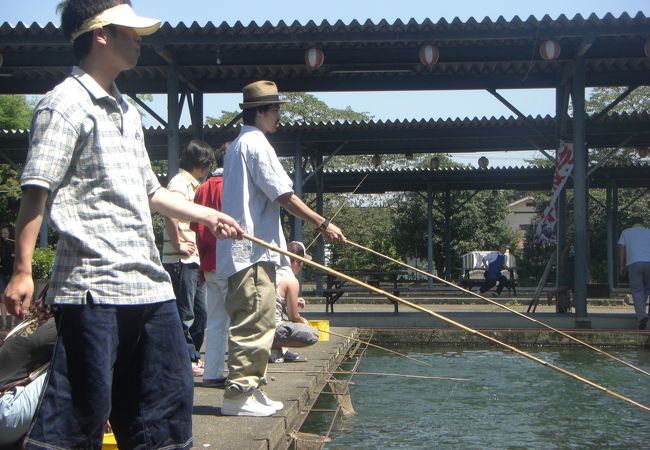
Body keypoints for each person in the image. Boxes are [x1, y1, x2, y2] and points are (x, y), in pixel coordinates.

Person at [1, 2, 243, 448]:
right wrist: (22, 270)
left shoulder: (127, 111)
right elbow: (36, 190)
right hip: (92, 286)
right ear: (99, 35)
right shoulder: (64, 104)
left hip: (149, 286)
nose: (139, 39)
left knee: (167, 406)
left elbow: (151, 191)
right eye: (130, 31)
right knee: (80, 413)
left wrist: (209, 214)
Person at [216, 80, 346, 417]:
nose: (279, 117)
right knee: (254, 324)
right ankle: (238, 395)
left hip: (250, 252)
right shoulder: (256, 144)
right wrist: (323, 223)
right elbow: (284, 197)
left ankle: (252, 388)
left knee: (260, 322)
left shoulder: (240, 145)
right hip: (251, 253)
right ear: (260, 111)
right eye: (275, 110)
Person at [162, 139, 214, 377]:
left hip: (193, 259)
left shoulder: (192, 184)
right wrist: (178, 243)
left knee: (200, 313)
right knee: (186, 314)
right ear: (202, 164)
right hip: (180, 259)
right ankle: (187, 358)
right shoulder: (180, 182)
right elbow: (170, 211)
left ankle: (191, 356)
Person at [192, 142, 229, 385]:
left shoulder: (202, 189)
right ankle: (240, 375)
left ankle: (212, 373)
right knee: (240, 322)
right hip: (231, 264)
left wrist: (202, 265)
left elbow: (196, 229)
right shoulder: (235, 186)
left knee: (215, 322)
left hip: (208, 263)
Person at [0, 296, 55, 448]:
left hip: (4, 413)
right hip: (5, 415)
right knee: (76, 363)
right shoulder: (58, 328)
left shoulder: (33, 321)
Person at [270, 241, 319, 363]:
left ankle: (276, 349)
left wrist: (292, 301)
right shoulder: (291, 280)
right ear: (296, 261)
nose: (302, 266)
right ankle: (273, 347)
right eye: (302, 262)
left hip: (255, 327)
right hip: (271, 330)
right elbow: (293, 316)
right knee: (313, 334)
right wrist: (304, 321)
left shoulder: (272, 271)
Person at [617, 216, 650, 330]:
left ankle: (641, 316)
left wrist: (622, 266)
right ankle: (643, 312)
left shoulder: (626, 232)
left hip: (634, 263)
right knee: (647, 289)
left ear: (632, 224)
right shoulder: (648, 232)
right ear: (642, 223)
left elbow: (621, 248)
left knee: (637, 290)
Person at [0, 226, 15, 331]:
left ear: (9, 234)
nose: (3, 235)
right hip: (1, 274)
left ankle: (13, 324)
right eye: (2, 233)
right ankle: (4, 323)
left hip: (12, 275)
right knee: (2, 300)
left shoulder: (13, 244)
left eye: (5, 233)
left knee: (13, 299)